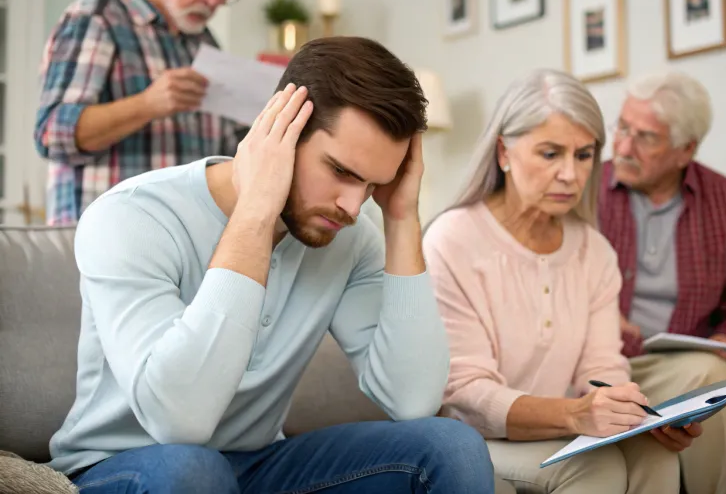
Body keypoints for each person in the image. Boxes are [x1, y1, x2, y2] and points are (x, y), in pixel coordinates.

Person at [49, 36, 497, 493]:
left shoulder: (350, 236)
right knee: (194, 472)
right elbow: (179, 421)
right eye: (341, 172)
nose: (353, 204)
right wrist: (255, 216)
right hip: (125, 466)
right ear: (278, 130)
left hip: (258, 464)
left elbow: (412, 400)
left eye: (372, 185)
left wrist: (401, 218)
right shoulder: (131, 216)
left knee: (450, 446)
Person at [423, 69, 697, 494]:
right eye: (550, 154)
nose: (570, 174)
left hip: (560, 428)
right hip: (474, 438)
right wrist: (573, 414)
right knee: (596, 470)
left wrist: (629, 411)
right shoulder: (453, 240)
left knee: (657, 452)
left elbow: (601, 366)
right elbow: (466, 395)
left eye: (584, 155)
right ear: (504, 153)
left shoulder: (595, 252)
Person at [598, 71, 726, 494]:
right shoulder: (583, 189)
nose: (623, 147)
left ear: (685, 149)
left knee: (715, 378)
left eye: (645, 138)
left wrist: (722, 344)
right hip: (595, 357)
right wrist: (601, 317)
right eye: (621, 127)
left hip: (675, 366)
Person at [34, 0, 251, 226]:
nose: (214, 0)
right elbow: (52, 135)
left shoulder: (204, 42)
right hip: (103, 241)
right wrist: (147, 104)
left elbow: (224, 150)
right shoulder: (97, 18)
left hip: (182, 244)